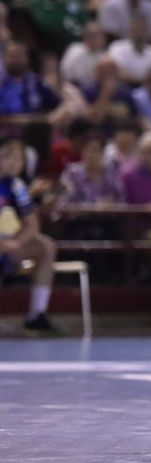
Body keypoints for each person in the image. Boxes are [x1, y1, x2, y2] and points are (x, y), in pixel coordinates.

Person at [0, 138, 60, 332]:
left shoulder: (16, 186)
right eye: (7, 157)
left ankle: (36, 314)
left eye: (18, 159)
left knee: (45, 247)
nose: (13, 162)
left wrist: (15, 244)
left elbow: (32, 224)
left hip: (5, 244)